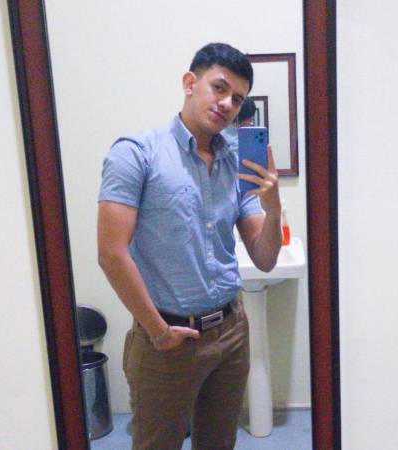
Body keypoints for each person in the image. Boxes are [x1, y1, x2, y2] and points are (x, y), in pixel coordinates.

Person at [97, 42, 282, 450]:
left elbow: (265, 258)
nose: (227, 103)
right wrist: (158, 331)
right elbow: (111, 253)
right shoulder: (136, 154)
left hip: (231, 333)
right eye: (219, 87)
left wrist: (273, 208)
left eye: (237, 98)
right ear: (189, 83)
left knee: (219, 443)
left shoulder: (236, 164)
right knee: (157, 444)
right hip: (167, 339)